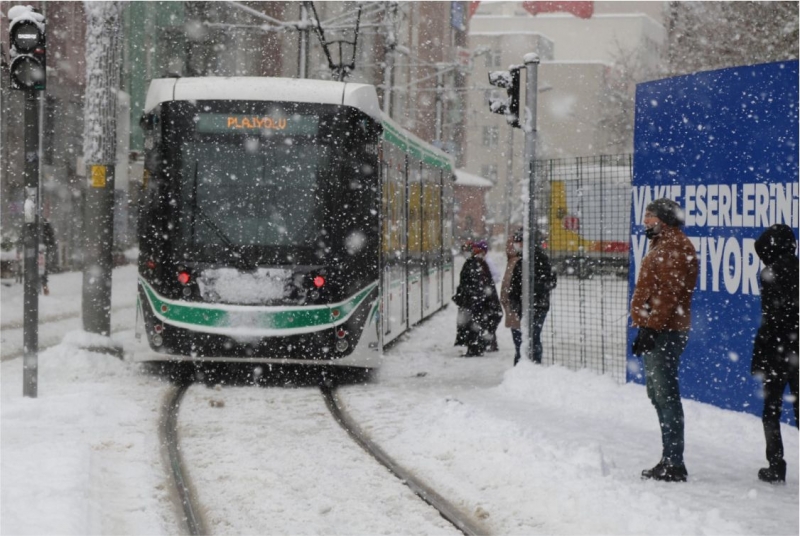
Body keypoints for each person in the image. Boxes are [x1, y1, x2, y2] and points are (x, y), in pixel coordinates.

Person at [630, 198, 698, 483]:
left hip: (665, 333)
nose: (645, 221)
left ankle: (674, 462)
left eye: (650, 216)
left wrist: (651, 328)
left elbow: (668, 294)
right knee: (657, 394)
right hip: (660, 329)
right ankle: (669, 458)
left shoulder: (673, 247)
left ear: (665, 219)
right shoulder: (663, 244)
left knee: (666, 395)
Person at [751, 223, 799, 484]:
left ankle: (776, 465)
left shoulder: (770, 273)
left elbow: (772, 320)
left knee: (772, 410)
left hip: (778, 353)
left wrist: (760, 355)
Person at [503, 229, 556, 365]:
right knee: (531, 337)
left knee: (528, 338)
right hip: (532, 305)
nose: (515, 245)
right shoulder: (528, 258)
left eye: (517, 242)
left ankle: (527, 364)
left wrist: (518, 298)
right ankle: (529, 363)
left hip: (532, 306)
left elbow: (548, 282)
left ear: (523, 243)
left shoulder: (532, 259)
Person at [453, 240, 502, 357]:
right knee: (478, 323)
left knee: (474, 324)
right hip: (476, 300)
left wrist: (468, 297)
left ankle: (475, 348)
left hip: (474, 301)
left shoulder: (475, 263)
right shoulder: (479, 263)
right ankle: (480, 345)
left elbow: (474, 284)